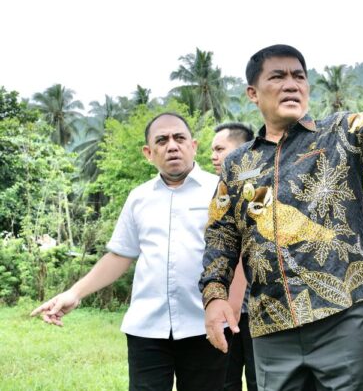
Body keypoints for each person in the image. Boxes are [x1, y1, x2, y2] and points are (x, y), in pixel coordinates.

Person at [200, 37, 363, 391]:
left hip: (340, 316)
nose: (291, 84)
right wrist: (215, 295)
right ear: (253, 93)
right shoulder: (237, 164)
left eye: (299, 76)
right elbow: (221, 233)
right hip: (271, 324)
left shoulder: (340, 134)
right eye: (277, 76)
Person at [31, 113, 226, 391]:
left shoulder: (220, 190)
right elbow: (120, 255)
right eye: (162, 140)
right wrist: (74, 293)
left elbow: (239, 254)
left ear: (193, 146)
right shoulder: (139, 197)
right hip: (147, 328)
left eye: (179, 138)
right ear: (148, 153)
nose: (172, 146)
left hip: (205, 324)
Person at [211, 122, 258, 391]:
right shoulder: (220, 190)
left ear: (241, 150)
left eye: (220, 149)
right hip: (225, 307)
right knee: (224, 380)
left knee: (258, 380)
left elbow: (241, 247)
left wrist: (235, 301)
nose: (213, 156)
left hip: (253, 309)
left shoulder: (256, 188)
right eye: (212, 150)